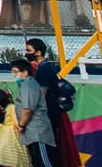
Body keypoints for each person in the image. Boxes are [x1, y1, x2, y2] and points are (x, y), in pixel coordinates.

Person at [26, 38, 80, 167]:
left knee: (45, 155)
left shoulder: (43, 70)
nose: (26, 53)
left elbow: (41, 95)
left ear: (38, 52)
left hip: (46, 117)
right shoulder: (48, 67)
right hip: (50, 115)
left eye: (29, 50)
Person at [12, 57, 56, 167]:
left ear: (25, 72)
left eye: (15, 72)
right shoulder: (25, 85)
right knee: (36, 161)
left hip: (37, 132)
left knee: (43, 162)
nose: (13, 75)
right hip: (32, 133)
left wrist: (21, 125)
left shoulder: (28, 85)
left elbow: (28, 109)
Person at [0, 87, 31, 167]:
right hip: (13, 135)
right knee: (16, 159)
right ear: (8, 97)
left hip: (2, 136)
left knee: (6, 160)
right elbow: (16, 122)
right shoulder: (12, 107)